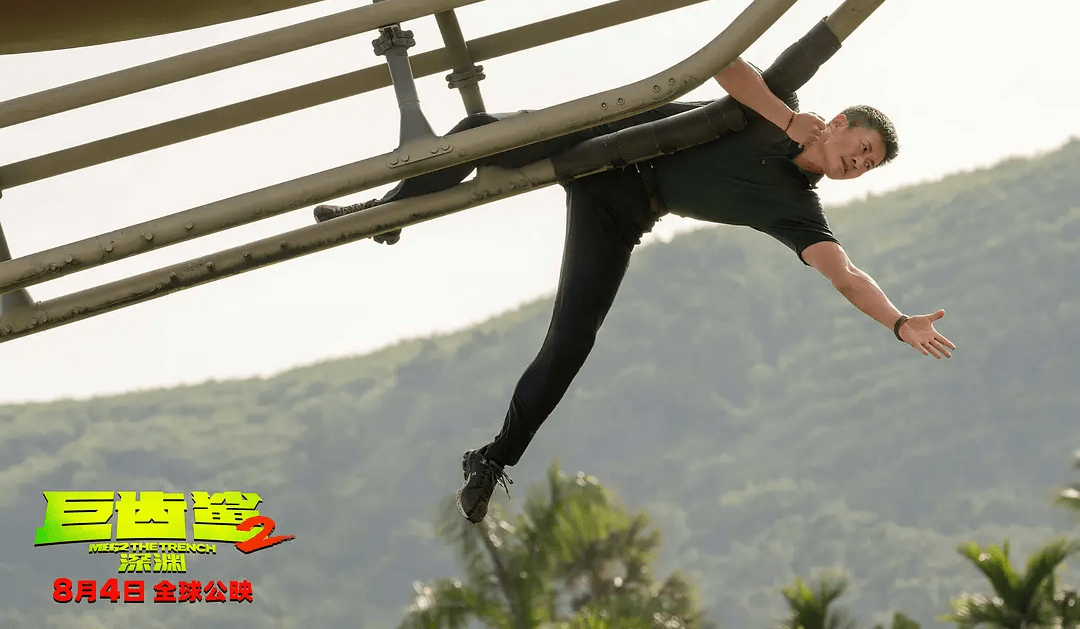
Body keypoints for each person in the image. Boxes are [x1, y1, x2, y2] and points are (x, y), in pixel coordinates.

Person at [314, 33, 957, 525]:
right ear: (838, 122)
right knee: (477, 134)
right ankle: (382, 213)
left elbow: (845, 274)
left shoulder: (798, 210)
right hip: (606, 138)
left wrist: (899, 321)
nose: (859, 164)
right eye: (862, 149)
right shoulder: (776, 108)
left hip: (621, 207)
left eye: (869, 166)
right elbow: (726, 63)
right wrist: (786, 119)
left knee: (573, 340)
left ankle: (492, 459)